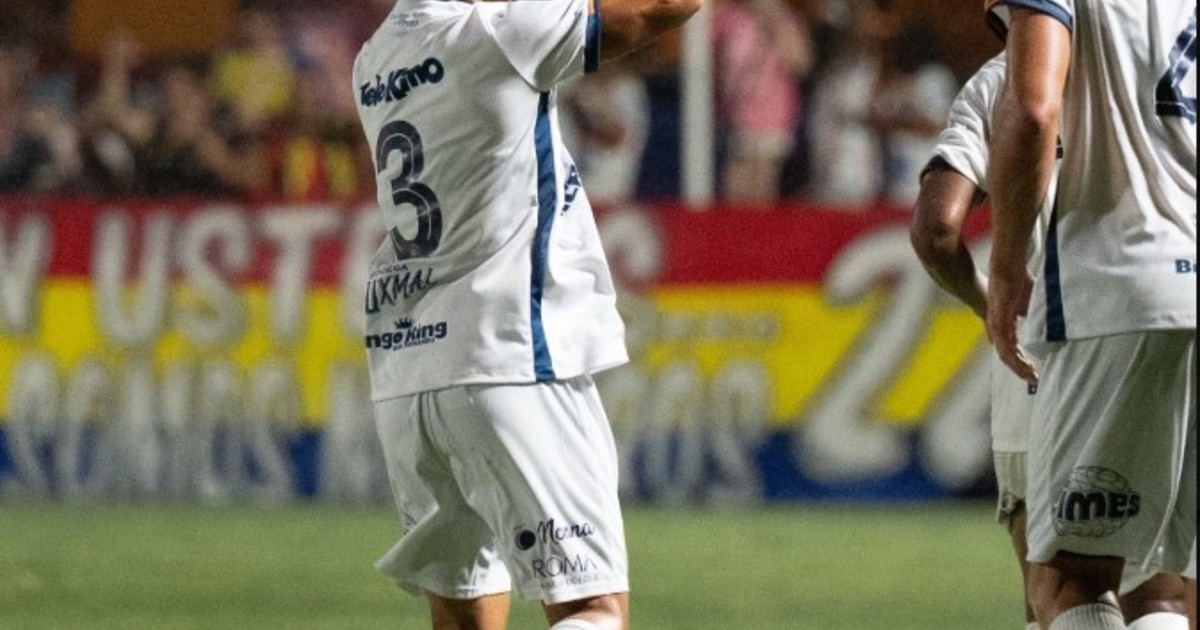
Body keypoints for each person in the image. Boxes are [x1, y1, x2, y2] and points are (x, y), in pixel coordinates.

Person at [350, 0, 701, 626]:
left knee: (463, 620)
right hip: (507, 353)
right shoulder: (502, 29)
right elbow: (667, 8)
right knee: (591, 607)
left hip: (410, 373)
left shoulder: (373, 58)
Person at [912, 52, 1198, 630]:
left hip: (1040, 359)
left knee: (1059, 593)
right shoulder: (1169, 60)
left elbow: (937, 229)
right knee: (1161, 594)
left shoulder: (1001, 81)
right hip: (1165, 326)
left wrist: (991, 303)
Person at [983, 2, 1196, 629]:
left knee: (1072, 576)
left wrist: (1004, 268)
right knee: (1161, 584)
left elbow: (1032, 108)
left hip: (1119, 284)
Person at [711, 0, 813, 206]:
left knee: (761, 190)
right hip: (735, 117)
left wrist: (774, 21)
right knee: (735, 189)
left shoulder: (785, 20)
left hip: (771, 118)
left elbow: (800, 64)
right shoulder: (730, 18)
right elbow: (712, 60)